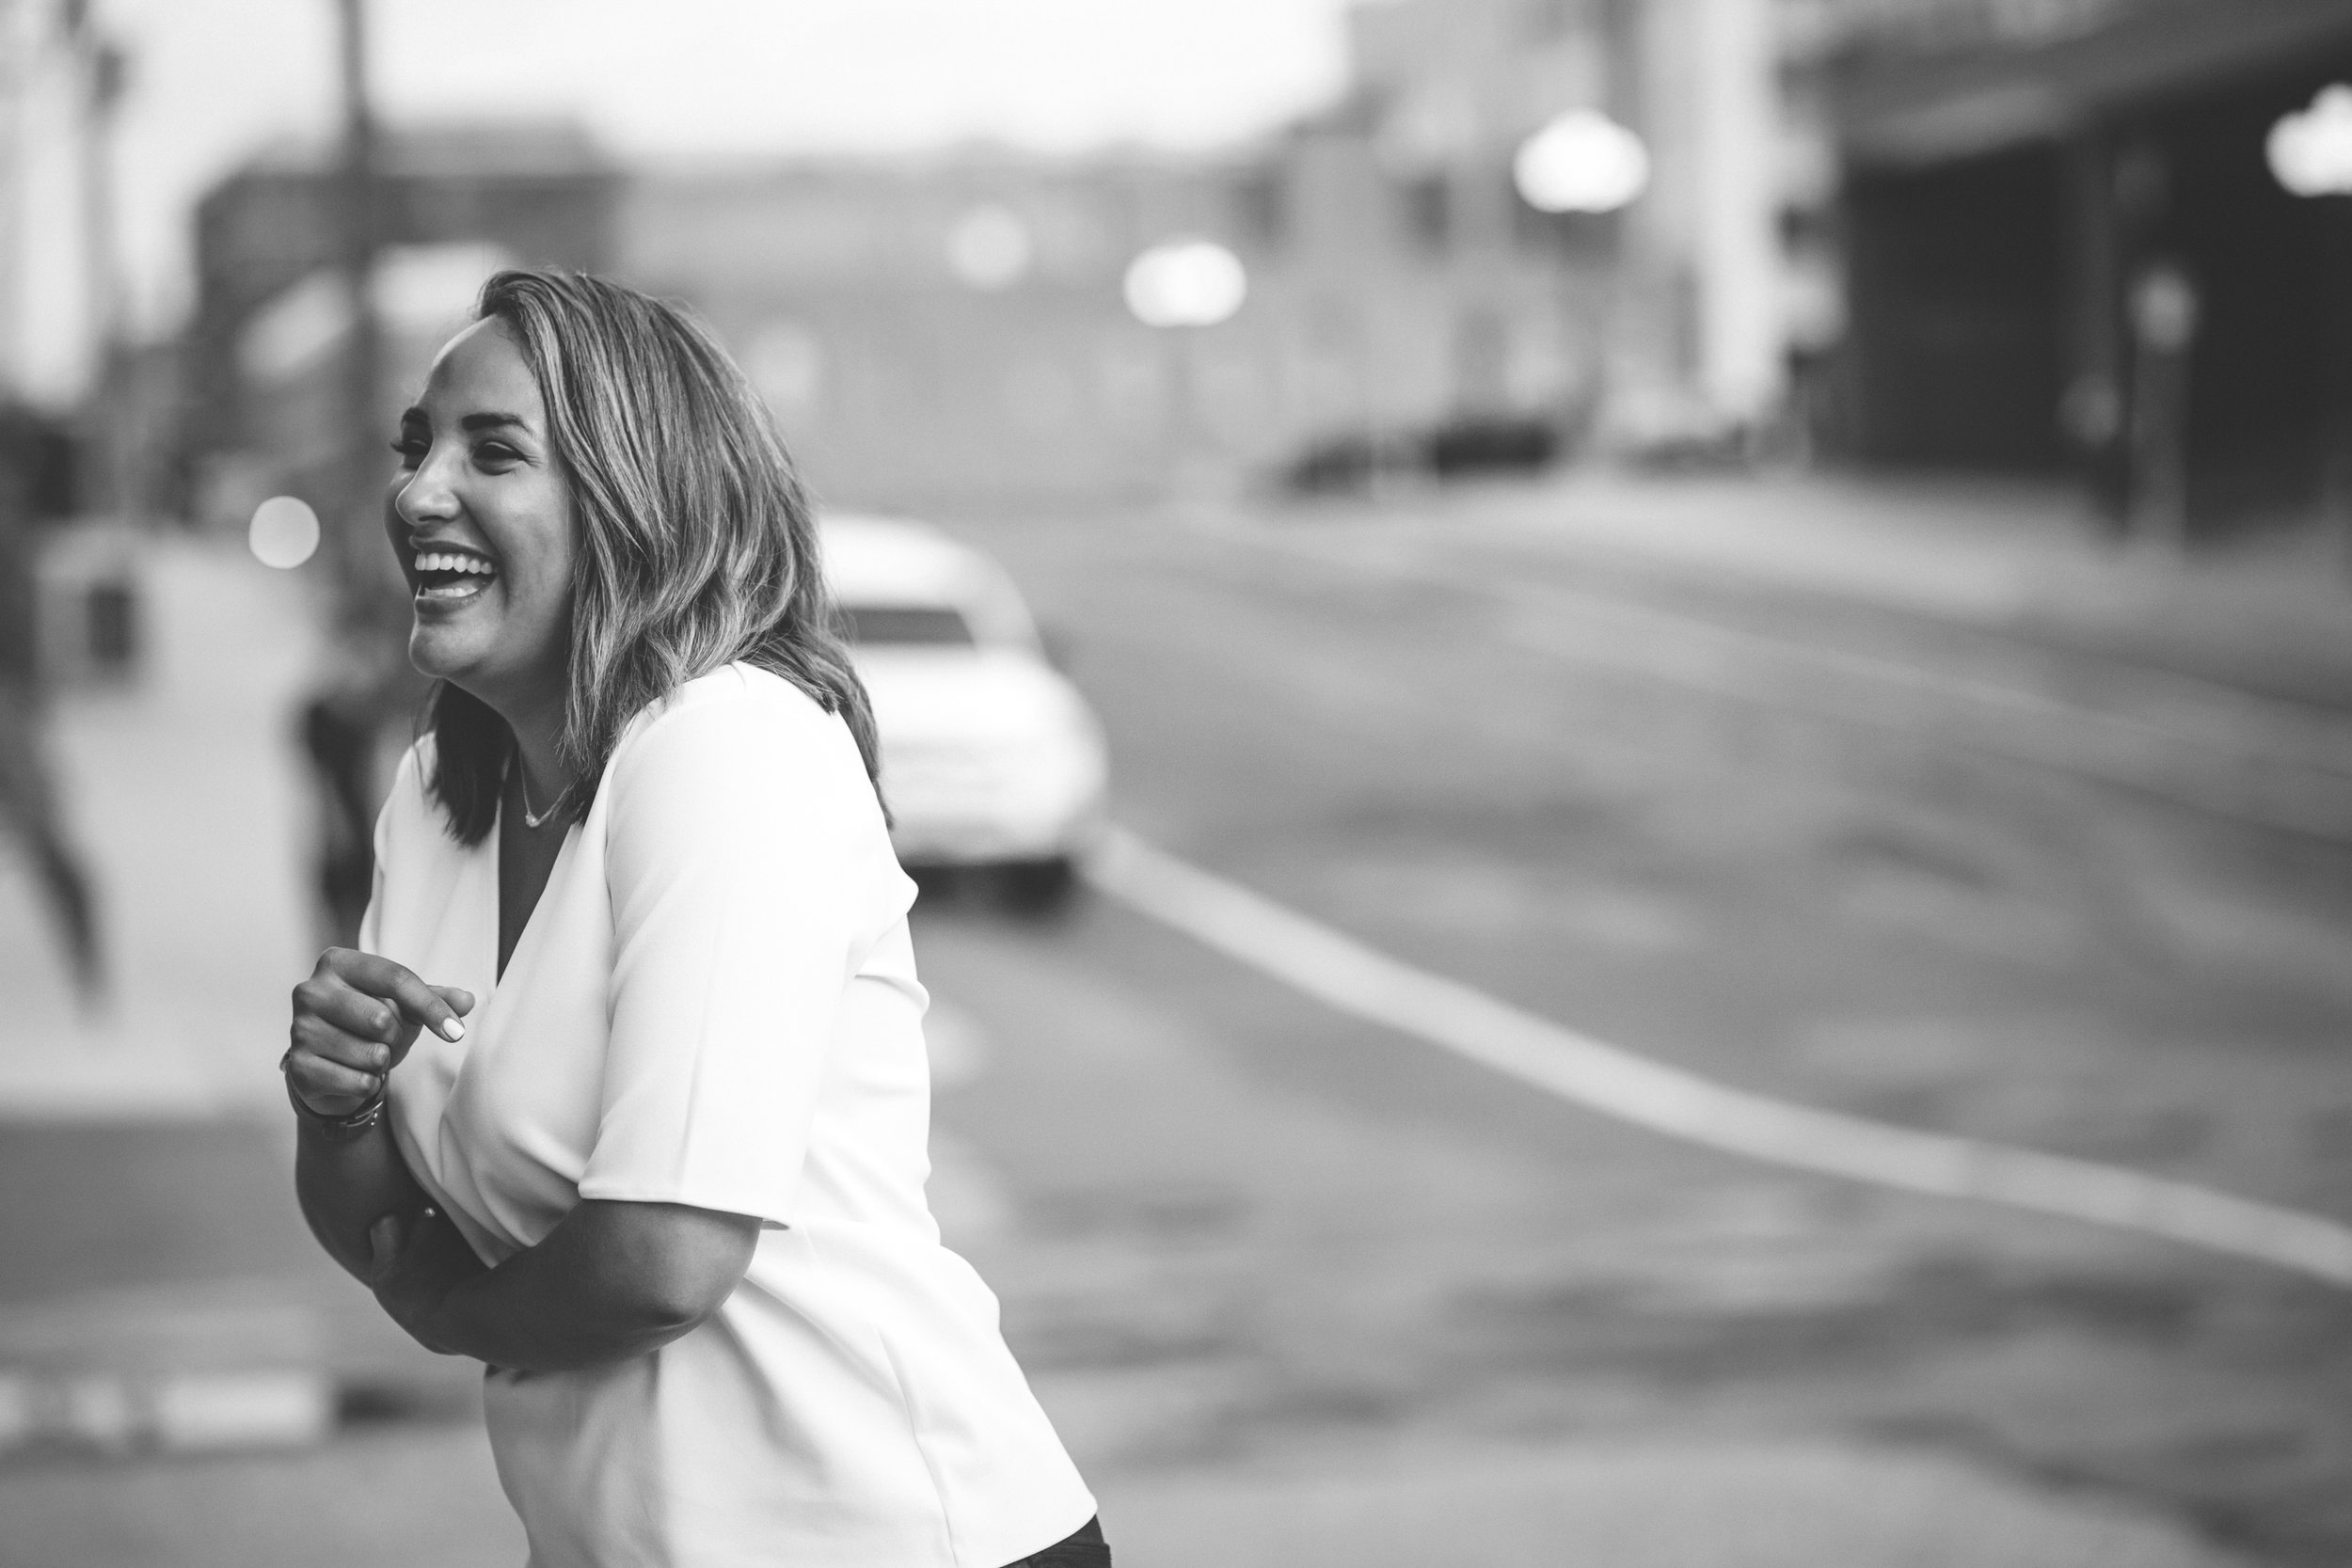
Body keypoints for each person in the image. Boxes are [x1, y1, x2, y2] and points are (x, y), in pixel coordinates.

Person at [280, 270, 1105, 1568]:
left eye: (493, 451)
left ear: (631, 499)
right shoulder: (441, 791)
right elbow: (390, 1227)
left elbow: (660, 1257)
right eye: (416, 448)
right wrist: (333, 1105)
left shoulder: (729, 747)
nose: (419, 491)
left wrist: (449, 1316)